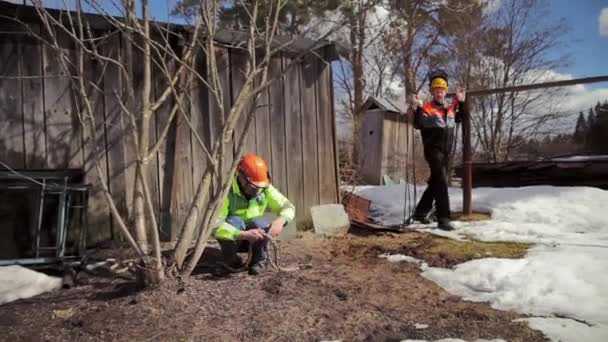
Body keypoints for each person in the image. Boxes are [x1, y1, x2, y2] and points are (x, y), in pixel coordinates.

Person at [213, 153, 295, 275]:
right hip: (235, 237)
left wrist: (281, 221)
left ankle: (259, 260)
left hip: (258, 236)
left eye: (259, 187)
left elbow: (288, 207)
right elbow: (215, 226)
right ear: (241, 176)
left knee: (261, 222)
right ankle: (230, 260)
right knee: (234, 221)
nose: (257, 191)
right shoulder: (226, 192)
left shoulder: (264, 188)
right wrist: (242, 234)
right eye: (253, 187)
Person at [407, 69, 467, 231]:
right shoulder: (426, 108)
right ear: (432, 91)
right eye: (436, 89)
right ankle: (443, 218)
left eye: (442, 89)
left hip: (447, 151)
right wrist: (417, 108)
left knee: (436, 181)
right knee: (441, 181)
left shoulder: (450, 108)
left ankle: (420, 212)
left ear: (446, 91)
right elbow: (418, 124)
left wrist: (461, 102)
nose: (439, 91)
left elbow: (461, 118)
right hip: (432, 150)